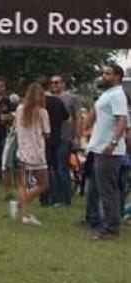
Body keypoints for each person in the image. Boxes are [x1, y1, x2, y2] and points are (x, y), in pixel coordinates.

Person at [85, 64, 129, 240]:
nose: (104, 76)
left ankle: (111, 228)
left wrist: (113, 142)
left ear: (117, 76)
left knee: (108, 190)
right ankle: (109, 224)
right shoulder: (107, 94)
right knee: (103, 189)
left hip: (109, 150)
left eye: (108, 74)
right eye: (103, 73)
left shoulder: (118, 94)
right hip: (99, 147)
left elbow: (122, 120)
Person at [11, 82, 50, 225]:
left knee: (23, 184)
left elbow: (16, 129)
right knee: (44, 184)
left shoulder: (20, 109)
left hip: (22, 150)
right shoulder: (42, 113)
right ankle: (22, 203)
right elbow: (46, 133)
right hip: (37, 153)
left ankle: (24, 213)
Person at [48, 74, 80, 206]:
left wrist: (76, 136)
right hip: (51, 137)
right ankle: (54, 196)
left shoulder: (72, 98)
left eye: (57, 83)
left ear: (63, 84)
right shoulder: (49, 98)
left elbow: (77, 117)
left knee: (62, 167)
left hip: (65, 137)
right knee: (53, 168)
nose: (54, 85)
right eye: (52, 83)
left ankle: (65, 198)